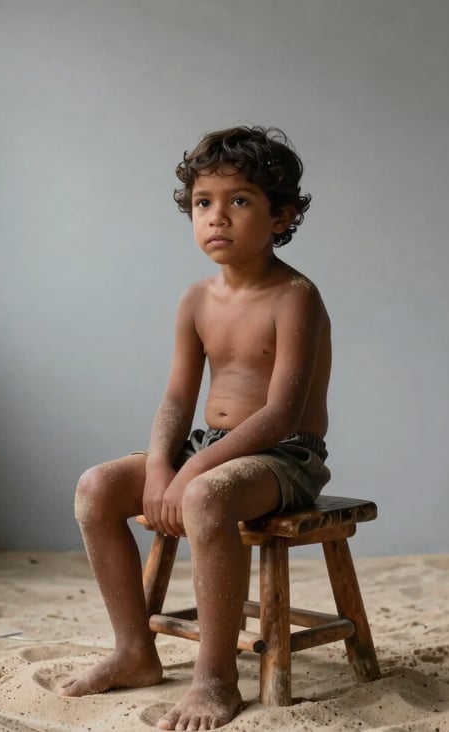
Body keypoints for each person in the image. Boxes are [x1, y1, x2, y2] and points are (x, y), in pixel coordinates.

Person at [59, 125, 332, 730]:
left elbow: (281, 414)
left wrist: (195, 472)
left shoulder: (295, 298)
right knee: (95, 488)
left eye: (239, 201)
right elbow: (178, 397)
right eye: (204, 203)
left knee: (206, 497)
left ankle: (215, 680)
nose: (218, 218)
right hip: (209, 450)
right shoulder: (195, 300)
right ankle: (134, 651)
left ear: (282, 216)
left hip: (284, 456)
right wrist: (162, 465)